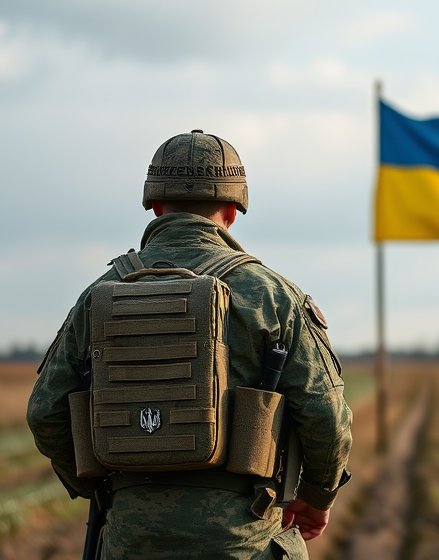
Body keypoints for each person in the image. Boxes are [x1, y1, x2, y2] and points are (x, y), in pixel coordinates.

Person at [27, 130, 353, 559]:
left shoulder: (100, 294)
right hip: (245, 543)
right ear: (234, 210)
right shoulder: (272, 295)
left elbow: (46, 414)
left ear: (156, 206)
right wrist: (316, 496)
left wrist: (107, 492)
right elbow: (325, 418)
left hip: (131, 542)